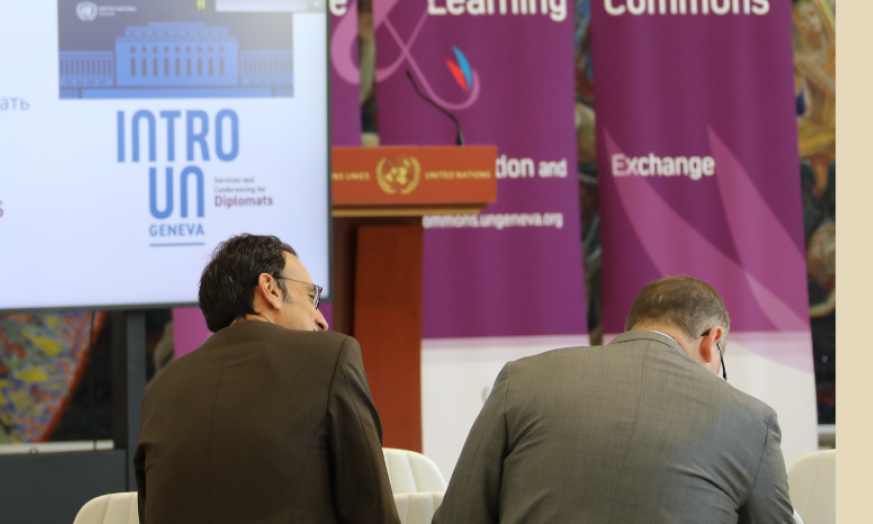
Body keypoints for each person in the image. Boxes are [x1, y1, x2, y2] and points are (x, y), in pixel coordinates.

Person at [435, 276, 795, 524]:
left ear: (634, 326)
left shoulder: (522, 379)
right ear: (711, 340)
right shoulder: (752, 419)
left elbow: (459, 516)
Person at [134, 234, 400, 524]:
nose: (321, 320)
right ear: (270, 289)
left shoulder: (160, 389)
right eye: (311, 297)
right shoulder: (330, 358)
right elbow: (373, 511)